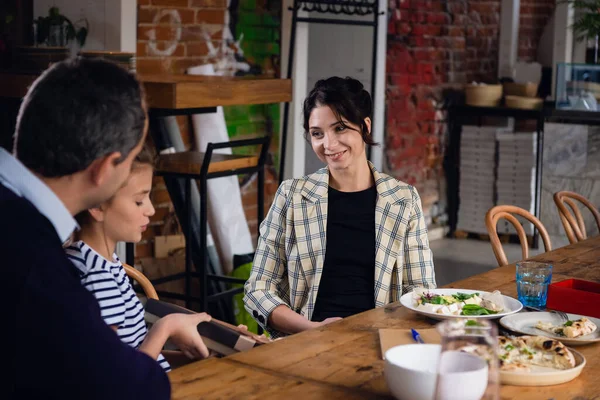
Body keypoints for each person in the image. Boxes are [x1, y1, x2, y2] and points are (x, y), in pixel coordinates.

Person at [6, 57, 209, 399]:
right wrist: (167, 327)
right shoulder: (37, 267)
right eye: (129, 162)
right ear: (103, 170)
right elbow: (123, 390)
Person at [244, 77, 436, 338]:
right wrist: (311, 328)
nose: (329, 144)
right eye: (317, 134)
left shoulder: (403, 199)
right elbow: (258, 289)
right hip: (305, 340)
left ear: (365, 127)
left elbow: (422, 291)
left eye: (340, 128)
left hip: (380, 339)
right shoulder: (292, 196)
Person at [65, 145, 204, 373]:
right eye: (139, 201)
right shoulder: (98, 279)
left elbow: (132, 354)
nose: (150, 210)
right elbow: (114, 376)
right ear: (97, 205)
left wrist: (196, 357)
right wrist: (165, 328)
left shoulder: (92, 260)